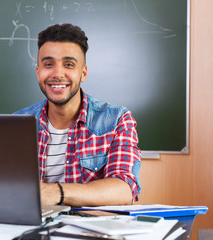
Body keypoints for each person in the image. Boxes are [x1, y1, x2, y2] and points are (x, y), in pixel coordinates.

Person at [15, 23, 141, 207]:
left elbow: (125, 189)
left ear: (83, 73)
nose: (58, 74)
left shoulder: (117, 120)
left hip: (88, 230)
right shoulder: (17, 124)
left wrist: (57, 192)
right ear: (38, 72)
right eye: (48, 64)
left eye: (69, 64)